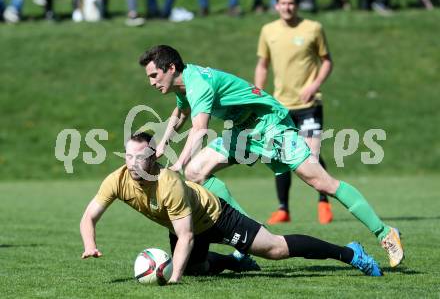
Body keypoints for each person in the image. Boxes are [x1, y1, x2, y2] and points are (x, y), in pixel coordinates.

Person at [138, 44, 405, 269]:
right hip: (245, 130)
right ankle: (249, 232)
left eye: (153, 75)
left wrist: (176, 163)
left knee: (321, 182)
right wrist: (161, 146)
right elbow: (181, 114)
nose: (151, 82)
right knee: (196, 171)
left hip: (270, 125)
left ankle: (384, 233)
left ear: (171, 68)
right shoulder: (185, 86)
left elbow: (199, 130)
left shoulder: (198, 85)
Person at [80, 132, 383, 283]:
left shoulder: (168, 183)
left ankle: (349, 252)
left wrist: (172, 282)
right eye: (128, 157)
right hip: (186, 226)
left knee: (275, 249)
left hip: (217, 217)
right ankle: (236, 262)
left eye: (138, 157)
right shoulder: (117, 180)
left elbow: (185, 237)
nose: (131, 163)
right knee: (196, 270)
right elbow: (89, 216)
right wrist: (90, 244)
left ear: (153, 157)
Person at [255, 0, 333, 225]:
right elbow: (263, 64)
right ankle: (283, 209)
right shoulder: (268, 31)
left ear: (296, 5)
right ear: (276, 5)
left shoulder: (313, 28)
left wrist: (315, 84)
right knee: (280, 156)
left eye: (291, 3)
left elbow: (327, 61)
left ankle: (323, 202)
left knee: (311, 154)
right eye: (283, 3)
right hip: (280, 107)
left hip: (309, 105)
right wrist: (257, 94)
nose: (287, 7)